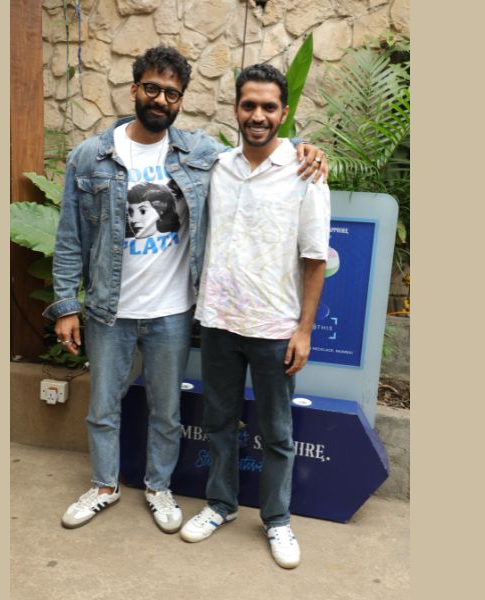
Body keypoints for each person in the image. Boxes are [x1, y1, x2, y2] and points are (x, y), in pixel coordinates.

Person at [43, 47, 328, 534]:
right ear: (134, 89)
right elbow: (70, 237)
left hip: (173, 311)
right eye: (152, 89)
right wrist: (67, 305)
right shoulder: (91, 157)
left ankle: (158, 487)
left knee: (167, 411)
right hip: (110, 310)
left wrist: (306, 147)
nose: (160, 99)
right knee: (103, 408)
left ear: (181, 100)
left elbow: (262, 141)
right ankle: (104, 485)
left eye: (171, 93)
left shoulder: (198, 153)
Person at [180, 63, 331, 569]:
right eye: (249, 105)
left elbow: (315, 259)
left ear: (284, 112)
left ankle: (277, 519)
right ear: (236, 109)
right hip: (219, 321)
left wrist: (304, 330)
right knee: (219, 422)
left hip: (274, 328)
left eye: (269, 106)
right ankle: (220, 505)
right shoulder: (216, 167)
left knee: (278, 433)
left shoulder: (306, 173)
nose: (258, 115)